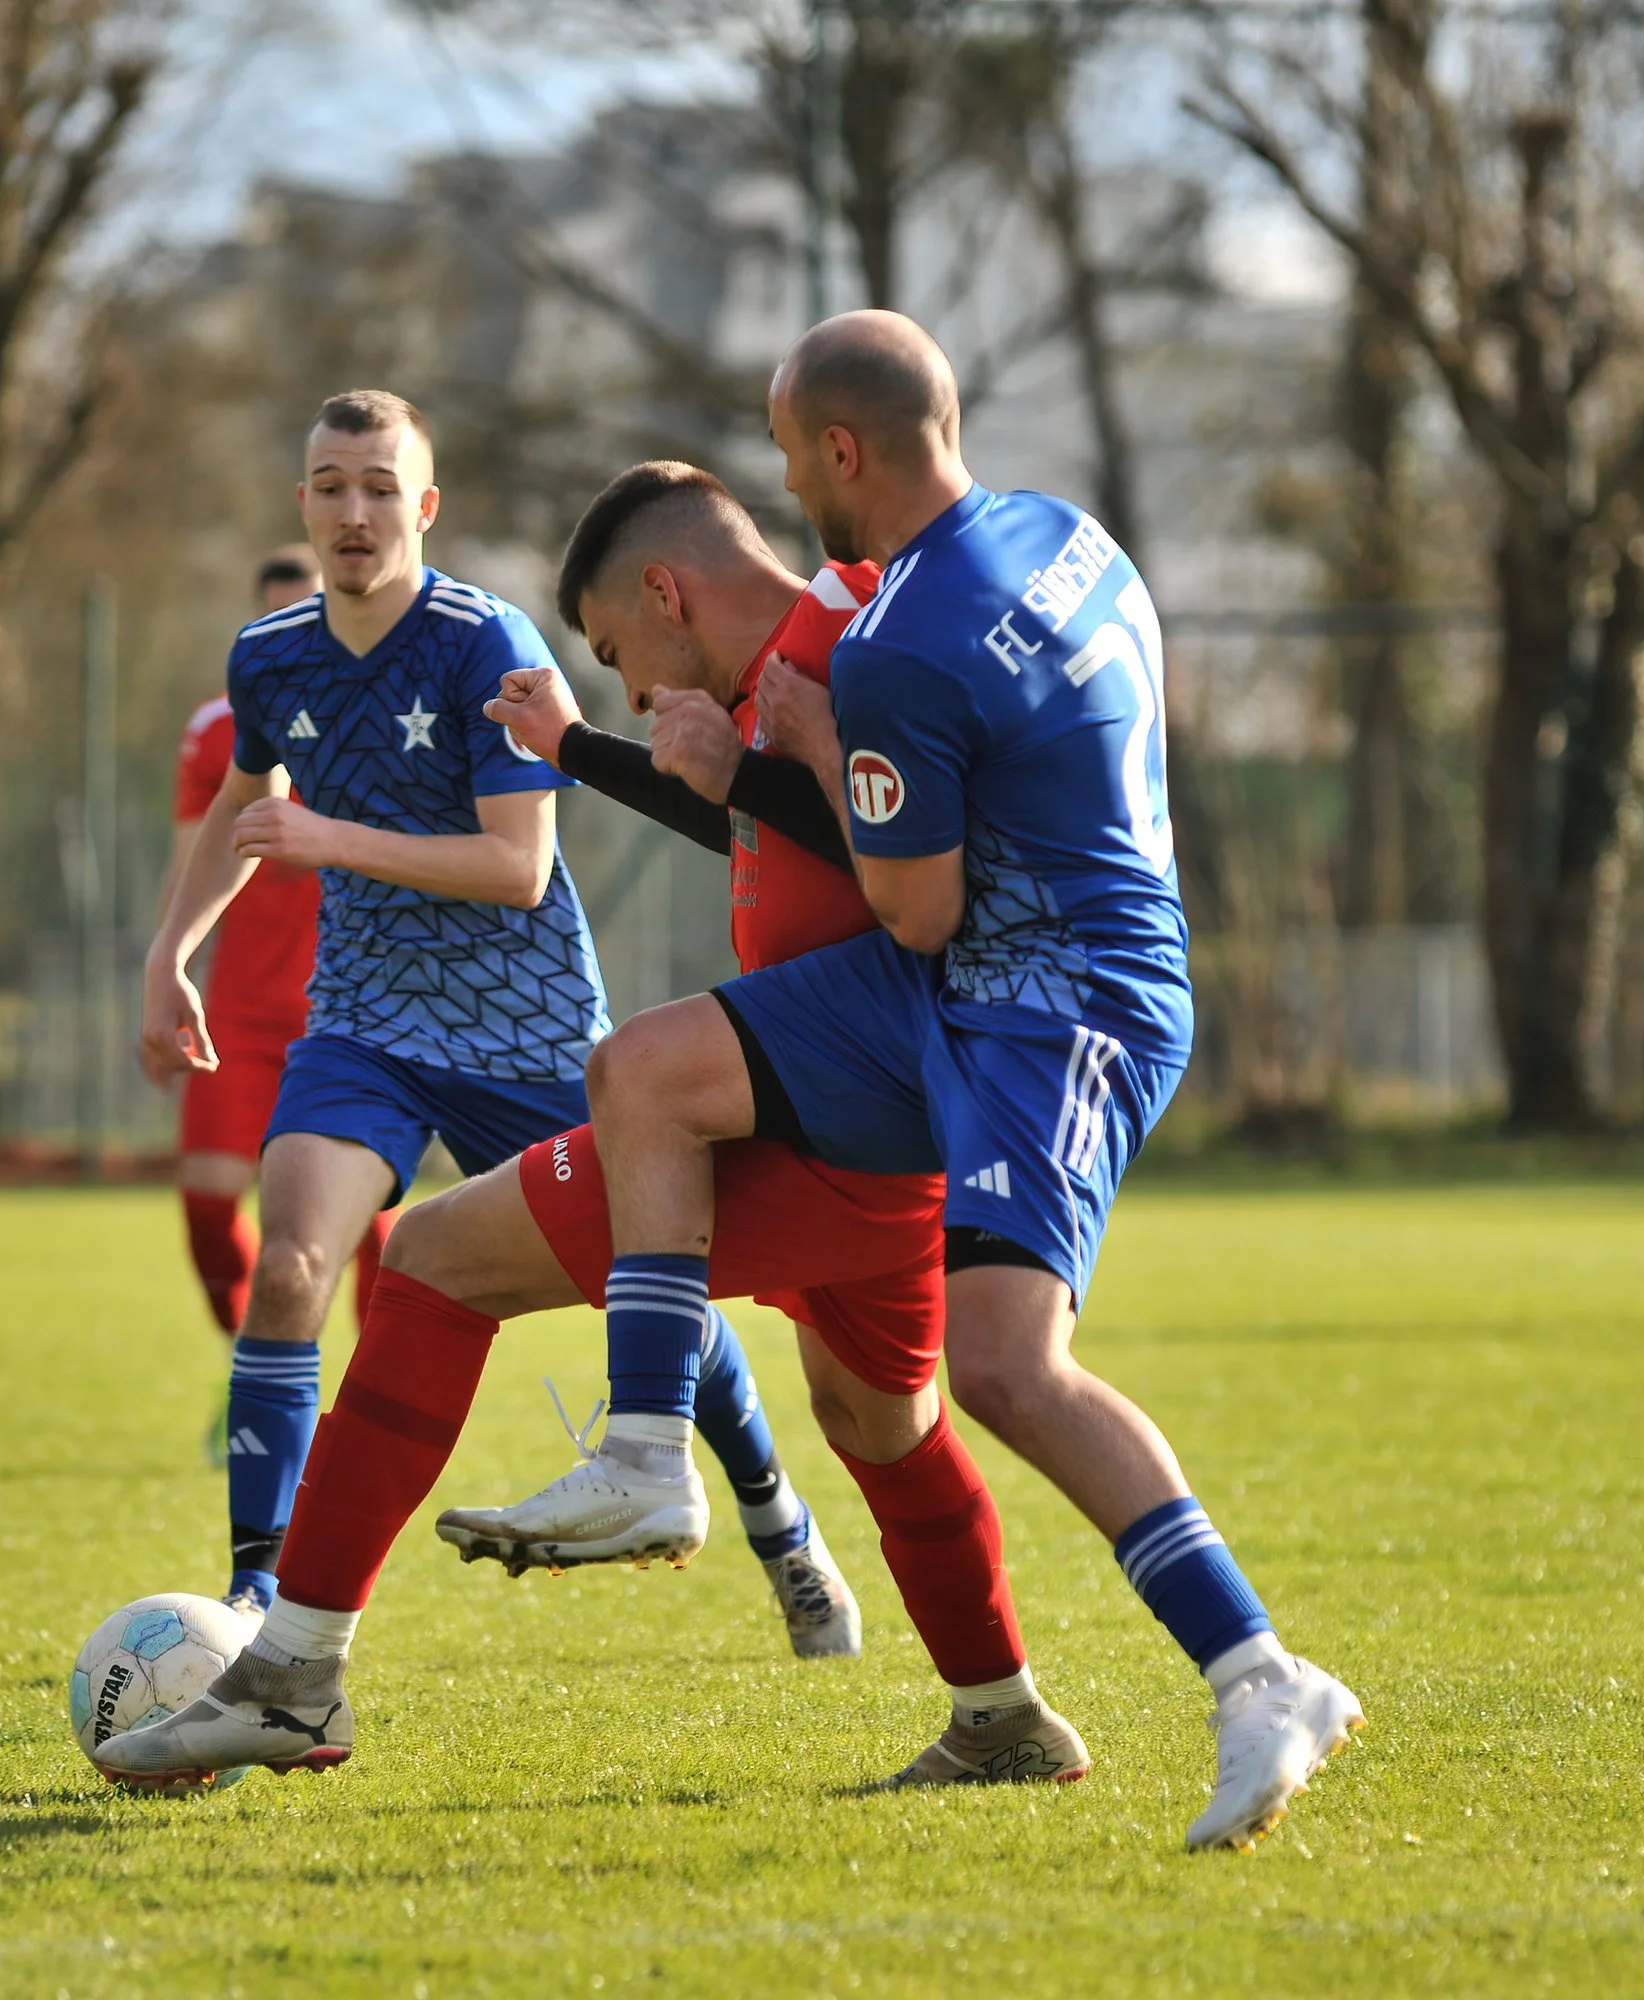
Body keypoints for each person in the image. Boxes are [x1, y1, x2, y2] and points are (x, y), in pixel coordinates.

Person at [459, 315, 1364, 1853]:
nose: (786, 484)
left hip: (1051, 1005)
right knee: (658, 1086)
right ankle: (660, 1459)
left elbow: (916, 909)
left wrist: (804, 747)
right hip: (993, 983)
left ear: (841, 450)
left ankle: (1261, 1674)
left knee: (1006, 1366)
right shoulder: (1068, 538)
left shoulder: (891, 649)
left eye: (789, 448)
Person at [91, 461, 1090, 1793]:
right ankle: (1004, 1718)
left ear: (666, 594)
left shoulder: (842, 654)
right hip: (861, 1124)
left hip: (809, 1114)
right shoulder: (813, 656)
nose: (626, 688)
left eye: (619, 654)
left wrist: (750, 757)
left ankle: (304, 1668)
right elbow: (803, 827)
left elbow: (913, 872)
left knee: (441, 1258)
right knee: (876, 1417)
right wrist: (602, 752)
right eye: (325, 485)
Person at [137, 394, 843, 1644]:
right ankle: (254, 1593)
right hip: (362, 1022)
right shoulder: (271, 655)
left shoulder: (485, 641)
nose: (353, 510)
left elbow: (518, 867)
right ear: (302, 502)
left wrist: (328, 837)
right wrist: (168, 952)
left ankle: (774, 1514)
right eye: (329, 484)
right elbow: (245, 800)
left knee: (652, 1284)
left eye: (378, 485)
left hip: (527, 1029)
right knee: (289, 1267)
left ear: (423, 506)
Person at [162, 548, 389, 1412]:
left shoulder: (383, 709)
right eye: (277, 618)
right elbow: (188, 861)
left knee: (370, 1225)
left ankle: (365, 1399)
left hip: (348, 1013)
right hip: (240, 1013)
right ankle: (253, 1368)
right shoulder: (219, 728)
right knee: (207, 1206)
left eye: (310, 614)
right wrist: (166, 972)